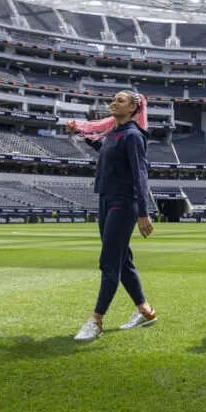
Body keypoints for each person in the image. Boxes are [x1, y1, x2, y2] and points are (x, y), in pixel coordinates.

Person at [68, 90, 157, 341]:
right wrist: (81, 132)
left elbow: (140, 175)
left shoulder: (132, 136)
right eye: (113, 99)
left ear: (133, 109)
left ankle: (96, 321)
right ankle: (145, 311)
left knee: (109, 262)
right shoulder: (114, 134)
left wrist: (143, 212)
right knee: (123, 261)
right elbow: (104, 151)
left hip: (123, 202)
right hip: (106, 200)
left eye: (120, 100)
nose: (113, 103)